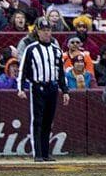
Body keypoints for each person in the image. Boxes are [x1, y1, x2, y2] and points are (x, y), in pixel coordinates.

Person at [17, 18, 69, 162]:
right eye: (44, 30)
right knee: (37, 121)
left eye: (48, 30)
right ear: (38, 32)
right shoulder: (31, 49)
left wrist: (65, 90)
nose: (46, 33)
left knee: (48, 121)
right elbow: (23, 69)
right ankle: (38, 153)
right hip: (38, 87)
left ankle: (46, 153)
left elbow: (60, 72)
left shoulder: (56, 50)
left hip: (52, 87)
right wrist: (21, 88)